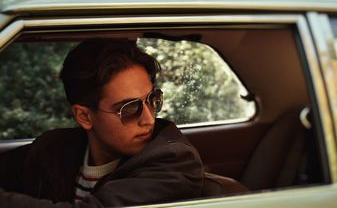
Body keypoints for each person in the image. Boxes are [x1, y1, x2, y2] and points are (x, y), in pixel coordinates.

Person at [0, 38, 204, 207]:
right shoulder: (52, 149)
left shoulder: (174, 161)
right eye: (129, 109)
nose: (149, 119)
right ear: (84, 117)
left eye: (152, 99)